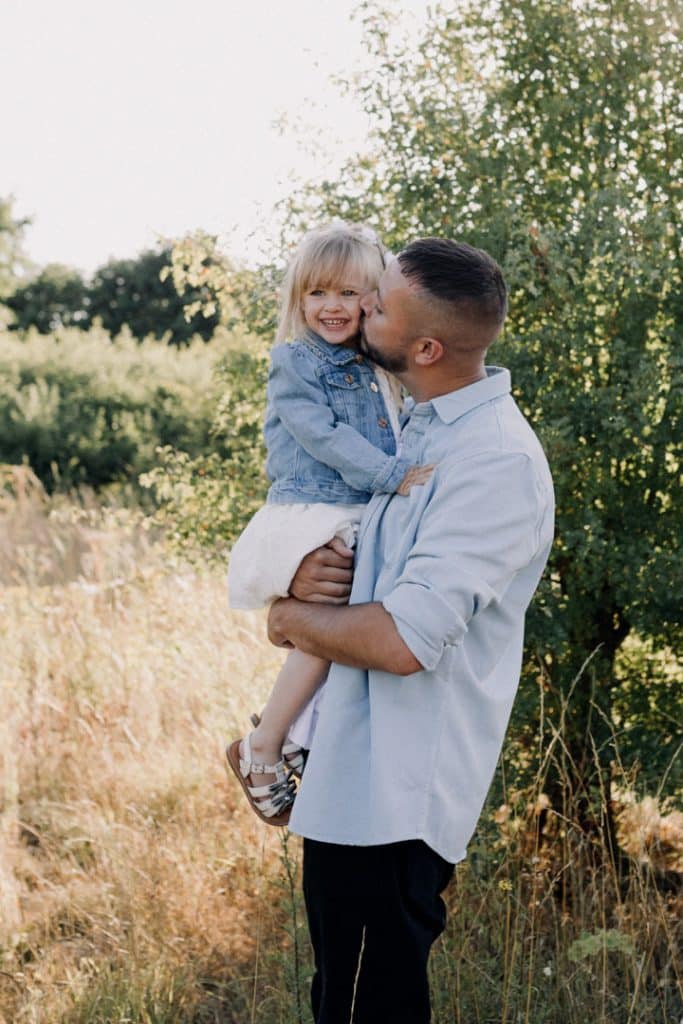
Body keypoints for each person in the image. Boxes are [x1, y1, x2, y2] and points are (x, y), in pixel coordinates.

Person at [267, 237, 555, 1023]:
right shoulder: (419, 426)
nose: (361, 308)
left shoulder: (492, 461)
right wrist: (298, 579)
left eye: (379, 303)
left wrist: (289, 618)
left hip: (396, 796)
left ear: (425, 347)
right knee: (338, 1001)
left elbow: (401, 641)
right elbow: (358, 572)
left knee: (372, 1009)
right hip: (346, 772)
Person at [225, 222, 433, 826]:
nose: (332, 307)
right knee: (331, 630)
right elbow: (322, 434)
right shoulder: (296, 362)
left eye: (348, 293)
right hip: (316, 508)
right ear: (298, 300)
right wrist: (392, 474)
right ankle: (265, 745)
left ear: (374, 297)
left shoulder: (374, 362)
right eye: (317, 294)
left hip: (352, 505)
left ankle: (295, 736)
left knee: (352, 629)